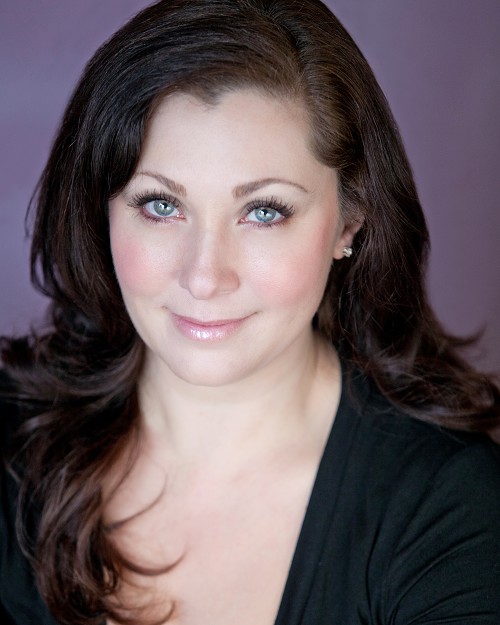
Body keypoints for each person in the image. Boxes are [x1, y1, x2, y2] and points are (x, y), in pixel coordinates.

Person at [1, 0, 499, 623]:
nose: (204, 277)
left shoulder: (451, 507)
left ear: (349, 220)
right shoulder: (12, 449)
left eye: (264, 212)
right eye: (160, 205)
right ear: (102, 210)